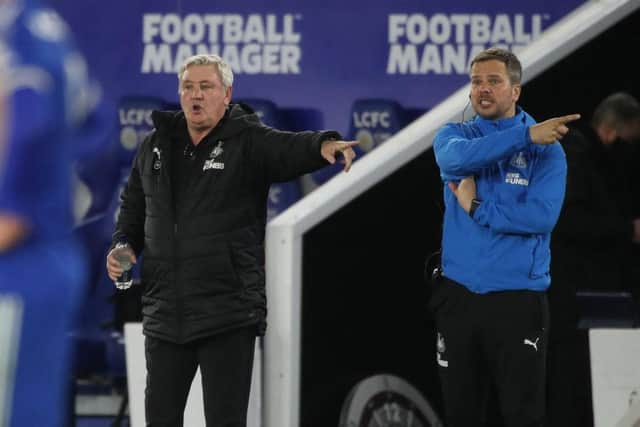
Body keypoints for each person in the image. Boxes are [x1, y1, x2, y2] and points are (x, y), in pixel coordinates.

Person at [105, 53, 358, 426]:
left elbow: (287, 149)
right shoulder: (154, 146)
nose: (196, 95)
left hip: (226, 313)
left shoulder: (247, 140)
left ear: (226, 94)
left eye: (206, 87)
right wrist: (123, 246)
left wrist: (323, 145)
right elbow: (132, 211)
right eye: (188, 86)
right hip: (165, 314)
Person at [430, 47, 579, 427]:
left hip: (517, 301)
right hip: (459, 298)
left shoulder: (550, 152)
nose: (483, 89)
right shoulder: (454, 136)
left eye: (494, 81)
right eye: (476, 81)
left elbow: (541, 218)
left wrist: (479, 208)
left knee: (522, 417)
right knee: (461, 415)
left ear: (515, 91)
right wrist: (525, 136)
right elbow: (454, 162)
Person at [0, 0, 102, 425]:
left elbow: (29, 149)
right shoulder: (36, 26)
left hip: (22, 266)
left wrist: (20, 215)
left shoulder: (21, 37)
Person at [547, 92, 640, 427]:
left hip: (593, 290)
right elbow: (567, 219)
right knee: (572, 373)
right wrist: (625, 229)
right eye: (629, 140)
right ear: (613, 130)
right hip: (571, 291)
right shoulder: (574, 155)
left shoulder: (591, 158)